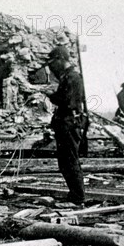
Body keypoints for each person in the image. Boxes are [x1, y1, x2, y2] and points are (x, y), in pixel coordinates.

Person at [46, 46, 86, 205]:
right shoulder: (68, 77)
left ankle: (78, 198)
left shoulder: (73, 77)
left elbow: (67, 102)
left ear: (61, 59)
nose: (51, 66)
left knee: (70, 161)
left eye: (53, 62)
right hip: (66, 124)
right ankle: (74, 195)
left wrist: (51, 95)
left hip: (69, 124)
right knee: (65, 162)